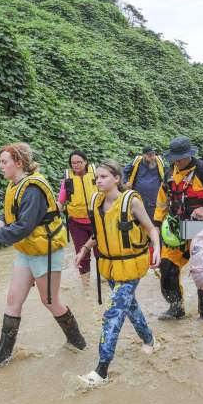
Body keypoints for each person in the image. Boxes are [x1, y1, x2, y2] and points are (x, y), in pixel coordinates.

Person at [0, 142, 86, 367]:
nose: (0, 167)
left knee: (49, 302)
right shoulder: (15, 185)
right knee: (13, 299)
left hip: (45, 250)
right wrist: (3, 222)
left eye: (4, 162)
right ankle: (3, 352)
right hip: (26, 249)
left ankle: (77, 341)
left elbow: (23, 227)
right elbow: (11, 215)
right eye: (0, 162)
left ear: (19, 163)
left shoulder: (33, 189)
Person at [75, 160, 160, 386]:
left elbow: (151, 229)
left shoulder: (131, 202)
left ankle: (101, 370)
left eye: (103, 177)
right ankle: (150, 340)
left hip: (131, 267)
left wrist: (158, 250)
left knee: (113, 312)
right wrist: (83, 250)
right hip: (111, 267)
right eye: (97, 178)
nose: (99, 181)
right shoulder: (97, 202)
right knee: (130, 307)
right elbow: (99, 234)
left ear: (116, 179)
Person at [153, 137, 203, 320]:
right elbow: (162, 201)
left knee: (202, 271)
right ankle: (176, 308)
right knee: (167, 266)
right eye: (175, 158)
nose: (177, 161)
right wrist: (156, 223)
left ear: (189, 155)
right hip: (176, 228)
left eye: (181, 157)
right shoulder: (169, 173)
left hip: (200, 228)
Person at [58, 150, 98, 291]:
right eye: (73, 163)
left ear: (85, 162)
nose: (76, 165)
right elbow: (61, 201)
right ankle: (86, 287)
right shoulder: (68, 181)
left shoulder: (96, 175)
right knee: (82, 254)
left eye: (79, 162)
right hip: (76, 223)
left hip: (97, 221)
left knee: (102, 252)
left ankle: (105, 279)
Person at [123, 145, 166, 221]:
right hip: (139, 197)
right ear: (143, 155)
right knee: (138, 219)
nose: (152, 157)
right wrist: (126, 181)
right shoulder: (136, 162)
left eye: (153, 154)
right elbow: (125, 171)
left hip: (154, 198)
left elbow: (167, 173)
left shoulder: (159, 162)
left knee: (153, 219)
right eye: (150, 155)